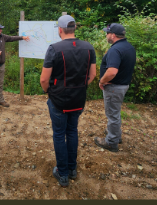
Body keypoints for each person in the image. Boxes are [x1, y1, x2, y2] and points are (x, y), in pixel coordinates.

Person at [39, 14, 96, 187]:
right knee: (72, 131)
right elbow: (92, 75)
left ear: (60, 30)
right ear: (75, 29)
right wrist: (79, 87)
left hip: (59, 100)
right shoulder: (89, 47)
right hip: (78, 99)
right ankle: (72, 169)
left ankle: (62, 173)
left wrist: (49, 91)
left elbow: (43, 79)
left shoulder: (54, 49)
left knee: (59, 134)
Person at [93, 23, 136, 152]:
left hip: (114, 87)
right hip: (122, 85)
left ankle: (111, 142)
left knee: (112, 114)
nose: (106, 35)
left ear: (113, 35)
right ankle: (115, 134)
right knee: (115, 113)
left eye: (107, 33)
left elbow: (112, 71)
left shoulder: (115, 50)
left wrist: (102, 81)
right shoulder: (128, 47)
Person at [0, 22, 30, 108]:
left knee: (0, 83)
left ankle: (1, 100)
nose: (1, 30)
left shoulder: (2, 36)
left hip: (1, 64)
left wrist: (22, 37)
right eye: (0, 29)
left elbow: (12, 38)